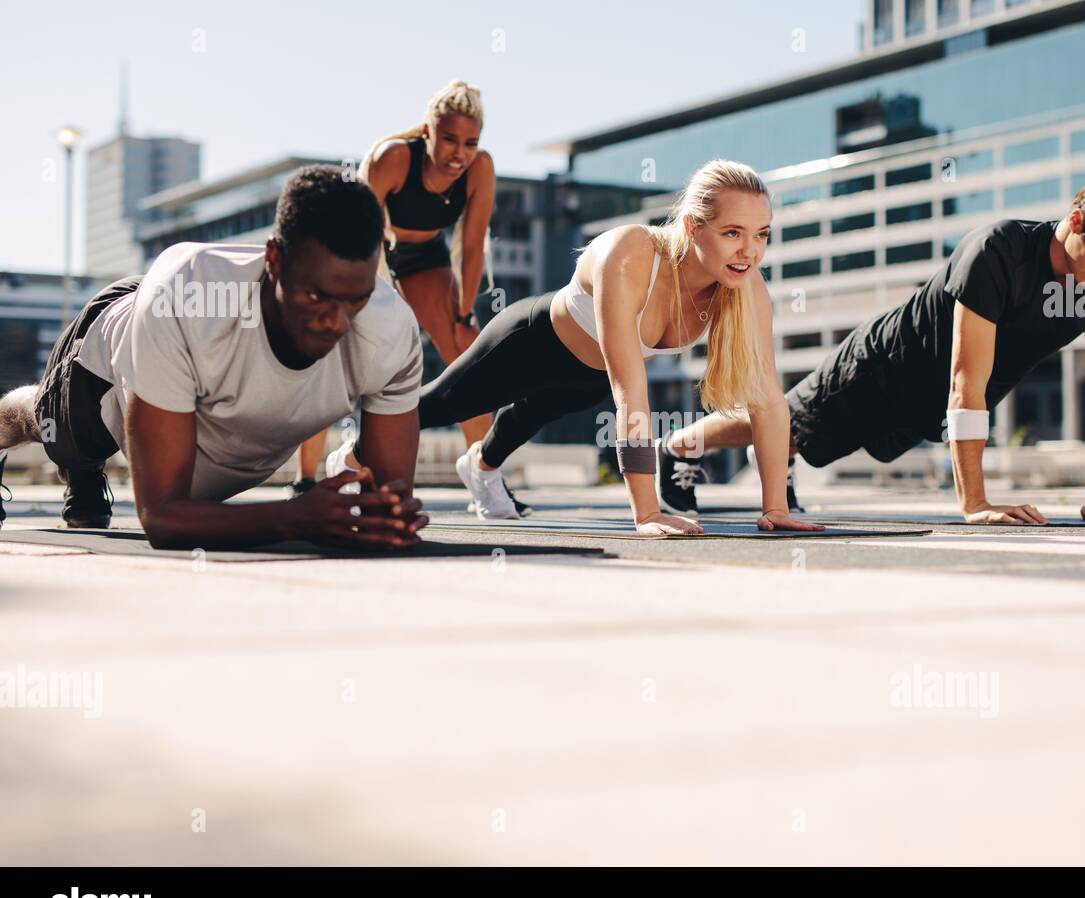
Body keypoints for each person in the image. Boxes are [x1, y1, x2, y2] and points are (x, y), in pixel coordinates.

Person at [659, 170, 1085, 525]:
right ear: (1076, 222)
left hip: (933, 402)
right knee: (785, 424)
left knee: (792, 436)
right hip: (884, 368)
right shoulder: (998, 253)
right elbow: (968, 379)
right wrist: (976, 502)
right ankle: (679, 446)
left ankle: (772, 456)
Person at [0, 165, 427, 548]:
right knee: (49, 427)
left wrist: (383, 517)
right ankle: (66, 457)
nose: (336, 322)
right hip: (110, 350)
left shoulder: (389, 330)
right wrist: (295, 518)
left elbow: (388, 500)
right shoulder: (184, 304)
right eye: (317, 296)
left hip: (178, 325)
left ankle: (82, 468)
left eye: (356, 300)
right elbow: (162, 518)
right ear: (274, 258)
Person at [419, 159, 825, 536]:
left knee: (527, 417)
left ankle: (481, 468)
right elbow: (631, 393)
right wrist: (646, 512)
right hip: (532, 345)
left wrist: (775, 509)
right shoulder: (632, 254)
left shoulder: (745, 285)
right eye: (733, 233)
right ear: (692, 227)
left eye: (761, 235)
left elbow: (768, 400)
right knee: (439, 405)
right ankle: (356, 457)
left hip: (592, 377)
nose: (750, 251)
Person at [292, 80, 529, 513]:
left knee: (468, 351)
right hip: (368, 249)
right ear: (427, 132)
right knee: (333, 355)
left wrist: (461, 312)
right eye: (450, 139)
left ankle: (483, 472)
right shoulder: (393, 158)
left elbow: (472, 245)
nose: (460, 153)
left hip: (425, 257)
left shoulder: (480, 169)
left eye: (471, 142)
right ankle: (308, 478)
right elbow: (358, 230)